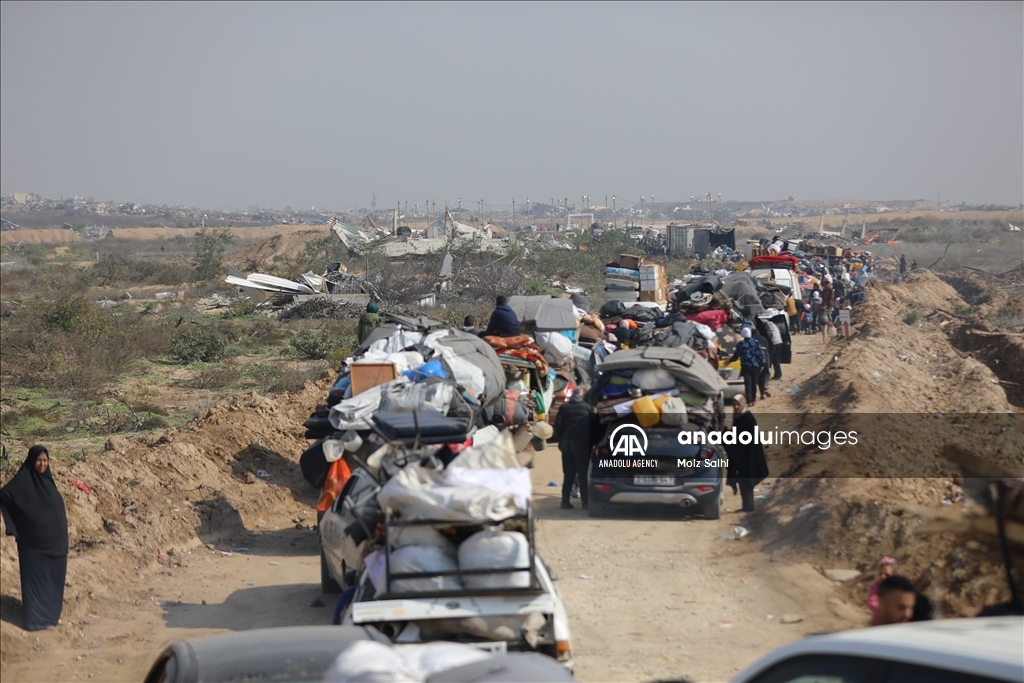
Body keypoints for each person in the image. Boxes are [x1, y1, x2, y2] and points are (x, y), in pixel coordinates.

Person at [0, 445, 69, 631]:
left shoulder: (48, 482)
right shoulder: (23, 482)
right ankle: (37, 621)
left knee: (54, 581)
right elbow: (4, 496)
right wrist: (16, 525)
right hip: (34, 547)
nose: (42, 464)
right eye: (39, 460)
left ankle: (51, 618)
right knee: (37, 583)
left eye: (45, 460)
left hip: (56, 545)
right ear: (32, 461)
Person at [724, 395, 769, 513]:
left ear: (743, 404)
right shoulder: (740, 417)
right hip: (744, 455)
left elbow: (740, 438)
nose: (736, 407)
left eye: (738, 404)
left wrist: (725, 437)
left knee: (746, 482)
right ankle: (747, 506)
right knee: (743, 481)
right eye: (734, 405)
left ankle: (749, 507)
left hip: (750, 456)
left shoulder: (747, 419)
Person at [552, 394, 595, 510]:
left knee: (569, 473)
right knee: (583, 472)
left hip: (567, 440)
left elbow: (557, 427)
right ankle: (585, 502)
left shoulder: (563, 408)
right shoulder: (588, 407)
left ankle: (564, 501)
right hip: (581, 442)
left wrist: (561, 441)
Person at [728, 327, 765, 405]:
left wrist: (730, 360)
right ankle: (754, 399)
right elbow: (761, 354)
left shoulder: (740, 344)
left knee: (748, 383)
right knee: (754, 382)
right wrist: (762, 364)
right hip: (755, 366)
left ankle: (749, 400)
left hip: (745, 366)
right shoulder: (756, 342)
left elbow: (736, 355)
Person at [866, 556, 897, 621]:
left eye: (887, 575)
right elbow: (871, 602)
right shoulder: (874, 586)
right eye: (880, 574)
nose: (883, 576)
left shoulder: (897, 587)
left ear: (894, 575)